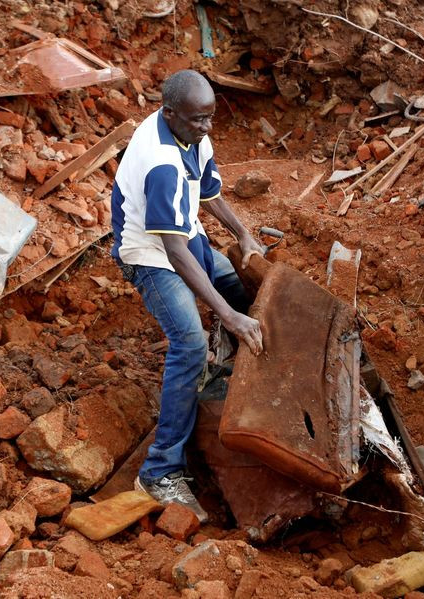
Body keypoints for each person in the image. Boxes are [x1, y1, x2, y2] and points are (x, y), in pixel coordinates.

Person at [110, 69, 264, 521]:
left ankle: (235, 375)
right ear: (170, 112)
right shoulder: (160, 162)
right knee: (190, 343)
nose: (207, 127)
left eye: (211, 117)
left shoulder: (191, 131)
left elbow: (209, 193)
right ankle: (160, 471)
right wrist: (228, 318)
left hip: (183, 235)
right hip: (149, 253)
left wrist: (245, 235)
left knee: (237, 285)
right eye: (199, 120)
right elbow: (174, 254)